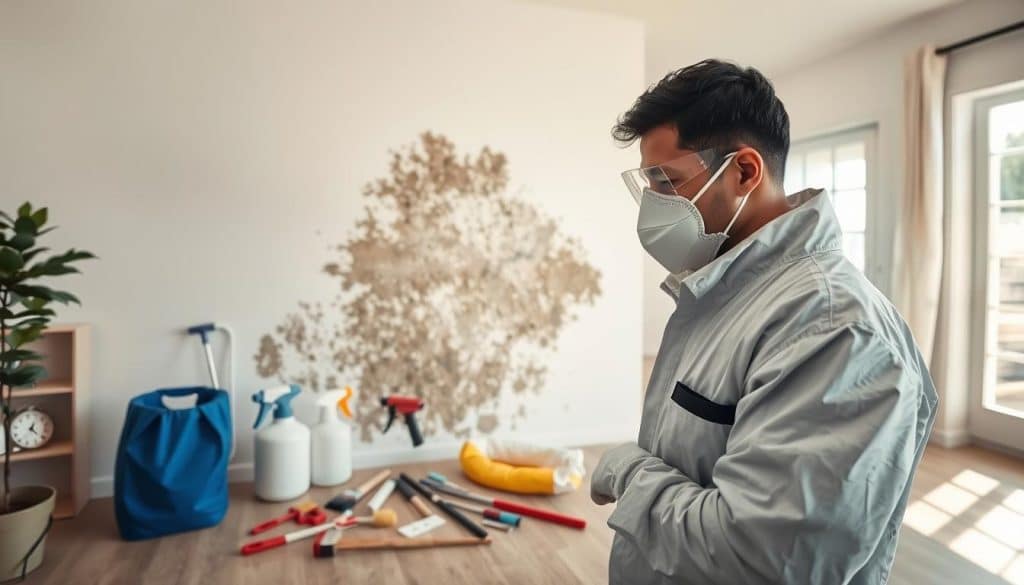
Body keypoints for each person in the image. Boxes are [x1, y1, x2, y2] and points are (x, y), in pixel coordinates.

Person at [591, 59, 937, 585]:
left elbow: (762, 560)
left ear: (745, 171)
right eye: (648, 184)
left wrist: (629, 469)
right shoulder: (722, 290)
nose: (653, 205)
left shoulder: (832, 327)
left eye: (668, 180)